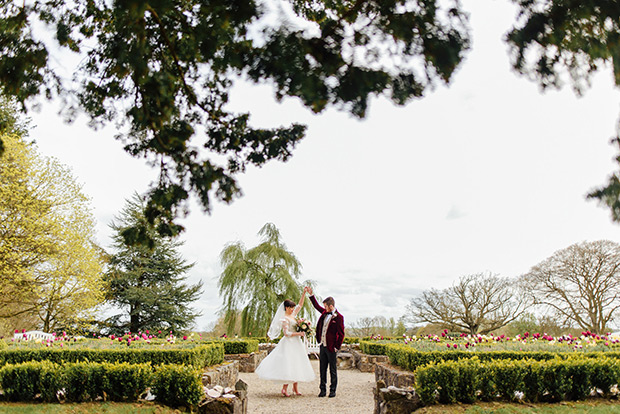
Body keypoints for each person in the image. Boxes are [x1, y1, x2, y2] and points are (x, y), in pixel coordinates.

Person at [255, 289, 315, 396]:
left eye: (293, 307)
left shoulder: (293, 315)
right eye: (291, 307)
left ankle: (295, 389)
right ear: (286, 308)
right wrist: (299, 334)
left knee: (297, 364)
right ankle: (284, 388)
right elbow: (286, 333)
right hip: (289, 343)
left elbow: (300, 305)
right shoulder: (284, 319)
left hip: (296, 343)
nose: (292, 309)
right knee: (289, 364)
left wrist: (304, 293)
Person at [306, 286, 344, 398]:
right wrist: (311, 295)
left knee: (332, 370)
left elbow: (341, 334)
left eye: (325, 306)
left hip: (331, 347)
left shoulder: (339, 317)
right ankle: (322, 390)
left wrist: (337, 347)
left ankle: (332, 390)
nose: (324, 308)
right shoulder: (324, 313)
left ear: (331, 306)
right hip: (322, 346)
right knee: (322, 369)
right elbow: (316, 306)